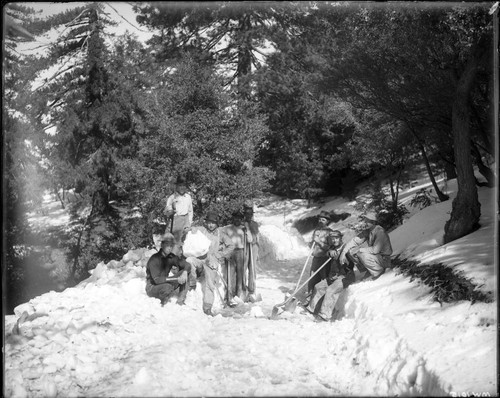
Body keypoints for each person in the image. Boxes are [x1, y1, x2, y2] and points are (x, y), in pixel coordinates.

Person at [186, 211, 234, 316]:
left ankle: (207, 307)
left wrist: (219, 254)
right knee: (189, 261)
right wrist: (189, 230)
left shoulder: (220, 234)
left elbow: (231, 246)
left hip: (212, 260)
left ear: (217, 223)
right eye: (209, 222)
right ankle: (192, 283)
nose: (210, 225)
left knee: (210, 282)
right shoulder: (202, 230)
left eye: (213, 223)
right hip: (200, 258)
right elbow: (192, 230)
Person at [340, 211, 393, 280]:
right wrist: (343, 252)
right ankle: (369, 270)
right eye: (364, 221)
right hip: (377, 257)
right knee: (351, 251)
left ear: (373, 222)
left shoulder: (379, 231)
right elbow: (354, 241)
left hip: (384, 259)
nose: (364, 223)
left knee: (362, 254)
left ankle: (378, 272)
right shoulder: (368, 231)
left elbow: (375, 250)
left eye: (367, 221)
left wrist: (359, 250)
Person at [145, 233, 191, 306]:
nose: (169, 248)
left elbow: (187, 265)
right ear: (162, 245)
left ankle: (180, 301)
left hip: (165, 283)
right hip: (152, 287)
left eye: (171, 245)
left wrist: (185, 272)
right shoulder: (154, 259)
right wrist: (176, 279)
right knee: (167, 287)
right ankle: (161, 303)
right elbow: (157, 280)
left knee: (186, 272)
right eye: (167, 245)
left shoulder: (171, 257)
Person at [306, 229, 344, 314]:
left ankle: (323, 311)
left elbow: (348, 265)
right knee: (315, 283)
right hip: (322, 265)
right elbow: (328, 250)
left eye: (336, 238)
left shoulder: (343, 248)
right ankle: (311, 305)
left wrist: (319, 242)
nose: (334, 240)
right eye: (333, 239)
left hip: (337, 273)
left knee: (327, 288)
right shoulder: (317, 231)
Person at [306, 210, 334, 302]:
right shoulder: (316, 231)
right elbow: (313, 243)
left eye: (324, 220)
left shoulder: (330, 232)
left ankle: (321, 300)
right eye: (320, 219)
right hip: (316, 258)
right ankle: (310, 299)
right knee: (312, 279)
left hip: (324, 260)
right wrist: (311, 244)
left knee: (323, 280)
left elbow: (330, 247)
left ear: (327, 221)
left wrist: (319, 241)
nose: (321, 221)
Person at [223, 210, 246, 305]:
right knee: (230, 273)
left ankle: (238, 294)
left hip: (240, 251)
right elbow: (221, 235)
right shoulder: (227, 228)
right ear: (232, 219)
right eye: (235, 218)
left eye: (239, 219)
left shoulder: (243, 229)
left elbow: (248, 240)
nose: (237, 220)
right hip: (231, 251)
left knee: (240, 273)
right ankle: (230, 295)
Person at [164, 176, 193, 244]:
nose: (182, 187)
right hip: (175, 222)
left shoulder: (188, 197)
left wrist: (189, 223)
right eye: (180, 185)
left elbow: (190, 211)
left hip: (185, 222)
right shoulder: (172, 198)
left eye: (184, 185)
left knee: (184, 242)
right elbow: (166, 213)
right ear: (176, 186)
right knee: (173, 242)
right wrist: (171, 211)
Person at [242, 201, 260, 302]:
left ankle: (252, 290)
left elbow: (257, 237)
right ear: (244, 214)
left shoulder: (255, 224)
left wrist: (257, 250)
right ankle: (243, 290)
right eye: (247, 214)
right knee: (243, 268)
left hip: (254, 248)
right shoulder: (242, 224)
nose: (248, 216)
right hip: (244, 248)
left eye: (250, 214)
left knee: (252, 269)